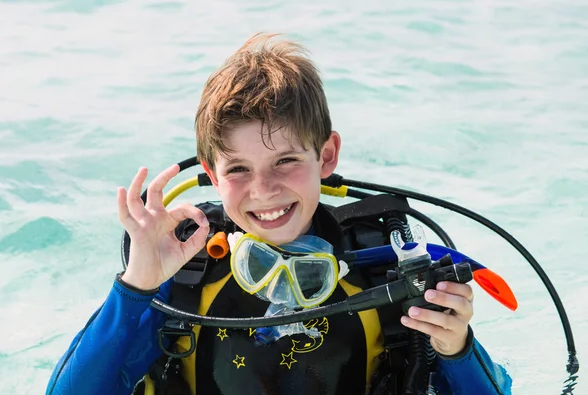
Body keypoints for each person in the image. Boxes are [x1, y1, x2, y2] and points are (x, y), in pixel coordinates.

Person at [47, 33, 512, 395]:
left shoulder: (386, 275)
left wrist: (456, 347)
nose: (264, 190)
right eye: (239, 169)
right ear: (211, 172)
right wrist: (136, 289)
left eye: (286, 161)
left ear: (326, 156)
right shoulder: (184, 276)